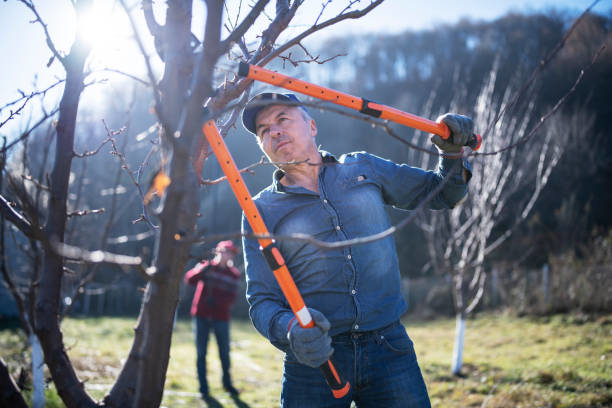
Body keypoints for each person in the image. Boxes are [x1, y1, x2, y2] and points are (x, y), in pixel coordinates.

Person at [240, 92, 474, 407]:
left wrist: (453, 153)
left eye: (282, 119)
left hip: (389, 347)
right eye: (263, 130)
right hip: (315, 361)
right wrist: (291, 329)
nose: (274, 131)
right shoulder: (259, 210)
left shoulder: (363, 168)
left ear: (311, 126)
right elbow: (261, 302)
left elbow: (441, 193)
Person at [184, 240, 241, 400]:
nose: (227, 255)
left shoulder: (234, 274)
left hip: (220, 317)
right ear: (218, 252)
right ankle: (203, 388)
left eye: (230, 253)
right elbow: (189, 280)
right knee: (201, 352)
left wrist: (217, 303)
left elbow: (231, 298)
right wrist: (202, 270)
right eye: (225, 252)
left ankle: (227, 384)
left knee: (224, 352)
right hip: (201, 315)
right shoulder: (206, 266)